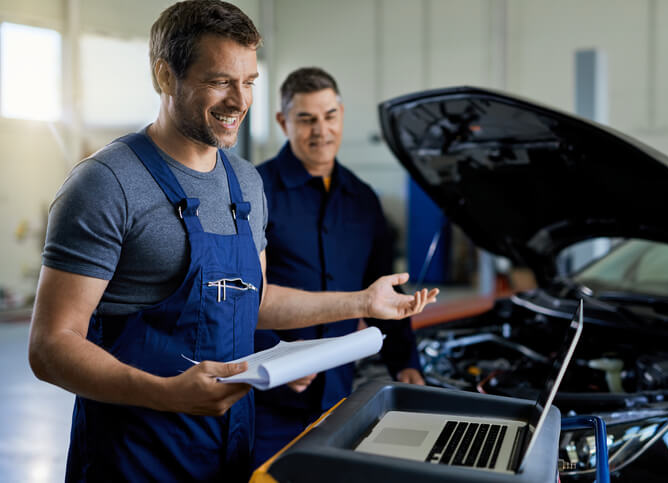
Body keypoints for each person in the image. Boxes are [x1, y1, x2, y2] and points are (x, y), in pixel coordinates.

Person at [27, 2, 437, 481]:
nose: (240, 101)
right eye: (220, 80)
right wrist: (168, 393)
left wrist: (361, 301)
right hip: (137, 456)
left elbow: (254, 299)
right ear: (164, 75)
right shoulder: (105, 183)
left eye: (249, 83)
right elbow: (51, 345)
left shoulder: (245, 182)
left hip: (230, 450)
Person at [252, 67, 426, 468]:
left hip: (339, 396)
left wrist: (405, 361)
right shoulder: (255, 193)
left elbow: (382, 289)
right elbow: (239, 298)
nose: (321, 130)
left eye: (330, 116)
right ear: (283, 122)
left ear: (342, 114)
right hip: (268, 398)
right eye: (306, 119)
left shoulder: (363, 200)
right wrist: (271, 359)